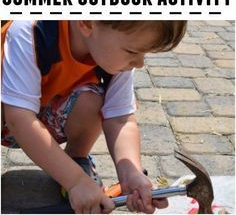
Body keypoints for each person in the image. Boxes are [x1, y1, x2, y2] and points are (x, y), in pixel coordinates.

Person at [1, 20, 187, 214]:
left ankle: (76, 160)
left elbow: (120, 118)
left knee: (92, 99)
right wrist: (76, 181)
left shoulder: (112, 56)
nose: (140, 64)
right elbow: (19, 119)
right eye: (132, 51)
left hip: (46, 113)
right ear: (87, 23)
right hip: (10, 114)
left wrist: (131, 173)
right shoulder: (30, 30)